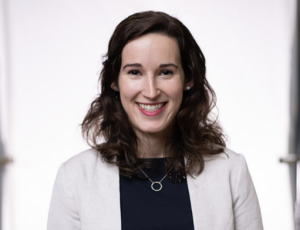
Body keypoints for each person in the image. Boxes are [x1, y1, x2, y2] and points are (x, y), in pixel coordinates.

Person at [47, 11, 263, 230]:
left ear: (187, 79)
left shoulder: (231, 171)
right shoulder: (74, 177)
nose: (151, 92)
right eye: (134, 72)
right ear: (114, 81)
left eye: (166, 72)